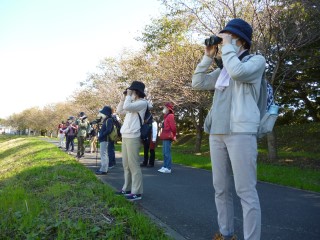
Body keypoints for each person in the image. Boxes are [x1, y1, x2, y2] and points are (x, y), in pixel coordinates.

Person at [192, 18, 266, 240]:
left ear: (241, 40)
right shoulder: (224, 70)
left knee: (246, 191)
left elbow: (239, 73)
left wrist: (227, 51)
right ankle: (226, 234)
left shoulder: (256, 61)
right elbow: (197, 83)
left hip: (241, 133)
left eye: (228, 37)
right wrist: (208, 56)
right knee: (220, 189)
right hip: (217, 133)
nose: (223, 41)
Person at [116, 80, 148, 201]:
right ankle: (127, 188)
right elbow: (120, 110)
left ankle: (137, 192)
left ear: (136, 92)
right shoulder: (131, 102)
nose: (129, 93)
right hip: (125, 135)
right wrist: (123, 98)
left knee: (134, 165)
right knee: (126, 164)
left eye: (131, 91)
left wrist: (128, 97)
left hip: (134, 136)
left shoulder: (142, 103)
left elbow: (127, 107)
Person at [158, 103, 177, 174]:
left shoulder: (170, 116)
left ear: (168, 109)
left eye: (165, 107)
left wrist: (174, 135)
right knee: (164, 152)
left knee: (167, 152)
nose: (164, 109)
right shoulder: (166, 116)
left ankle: (168, 168)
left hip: (168, 135)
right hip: (165, 135)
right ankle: (165, 166)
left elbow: (173, 127)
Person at [95, 106, 114, 175]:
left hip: (105, 139)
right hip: (104, 139)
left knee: (103, 154)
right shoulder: (107, 119)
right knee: (104, 154)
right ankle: (104, 169)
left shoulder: (109, 120)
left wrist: (101, 135)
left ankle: (103, 170)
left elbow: (108, 130)